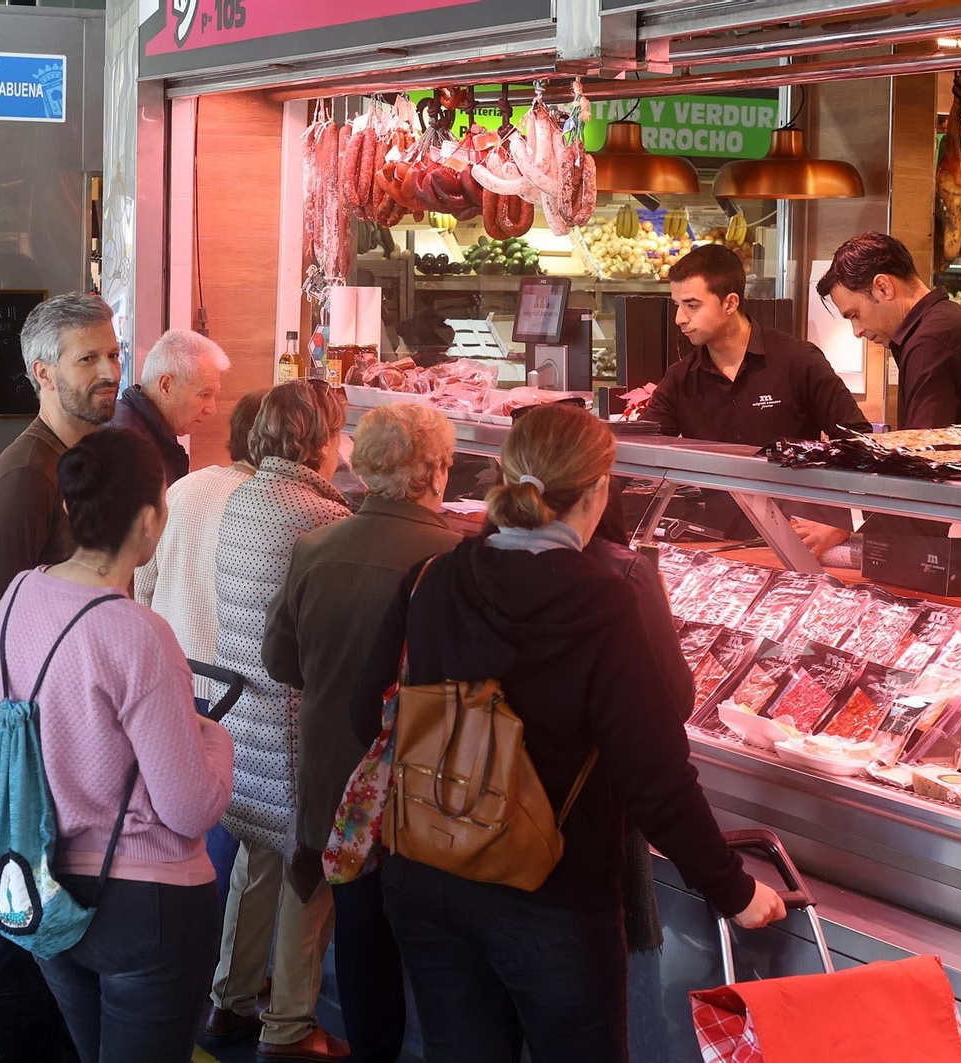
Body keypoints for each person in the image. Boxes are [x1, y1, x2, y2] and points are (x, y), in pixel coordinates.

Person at [349, 405, 785, 1063]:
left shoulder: (434, 578)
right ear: (598, 490)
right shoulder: (604, 603)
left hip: (427, 876)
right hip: (548, 894)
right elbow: (656, 778)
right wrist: (733, 888)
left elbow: (366, 713)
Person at [0, 429, 234, 1063]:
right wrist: (215, 739)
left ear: (69, 508)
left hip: (41, 890)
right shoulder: (139, 634)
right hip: (149, 908)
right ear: (150, 519)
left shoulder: (17, 597)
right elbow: (189, 807)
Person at [261, 402, 462, 1063]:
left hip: (334, 791)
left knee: (360, 946)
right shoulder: (457, 559)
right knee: (438, 962)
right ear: (435, 470)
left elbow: (280, 661)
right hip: (429, 800)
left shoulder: (316, 547)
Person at [0, 292, 120, 1063]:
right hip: (35, 746)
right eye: (89, 358)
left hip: (74, 739)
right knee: (30, 945)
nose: (109, 371)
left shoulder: (81, 460)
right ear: (42, 372)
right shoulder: (28, 475)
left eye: (113, 354)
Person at [207, 379, 351, 1062]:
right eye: (341, 429)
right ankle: (289, 1026)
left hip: (248, 718)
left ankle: (229, 1000)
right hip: (295, 725)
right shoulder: (317, 517)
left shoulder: (247, 495)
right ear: (317, 439)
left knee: (257, 860)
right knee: (307, 867)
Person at [644, 243, 870, 555]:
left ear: (730, 302)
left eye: (692, 305)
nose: (679, 319)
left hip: (797, 544)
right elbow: (641, 452)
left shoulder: (798, 360)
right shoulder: (680, 378)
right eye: (677, 305)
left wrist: (841, 523)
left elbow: (860, 443)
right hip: (715, 545)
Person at [817, 231, 961, 451]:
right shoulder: (955, 323)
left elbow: (922, 457)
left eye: (854, 314)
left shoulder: (930, 342)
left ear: (883, 287)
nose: (857, 331)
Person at [135, 389, 266, 680]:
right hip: (232, 689)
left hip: (170, 672)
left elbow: (140, 585)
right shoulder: (271, 508)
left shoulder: (183, 488)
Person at [109, 328, 228, 484]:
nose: (212, 409)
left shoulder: (153, 434)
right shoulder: (125, 449)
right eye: (205, 394)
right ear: (166, 386)